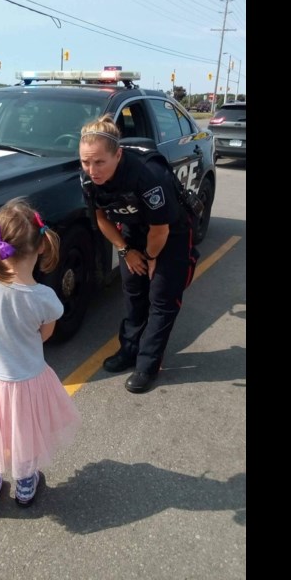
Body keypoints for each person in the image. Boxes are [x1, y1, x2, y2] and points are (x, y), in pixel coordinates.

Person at [0, 197, 82, 519]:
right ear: (42, 246)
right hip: (23, 380)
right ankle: (25, 489)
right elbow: (45, 335)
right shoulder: (44, 299)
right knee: (25, 434)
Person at [79, 114, 197, 394]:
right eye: (85, 162)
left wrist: (151, 256)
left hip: (171, 232)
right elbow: (101, 220)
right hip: (132, 229)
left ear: (118, 155)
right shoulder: (87, 178)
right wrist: (126, 251)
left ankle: (148, 364)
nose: (91, 170)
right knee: (133, 290)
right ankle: (129, 350)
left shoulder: (146, 175)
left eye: (99, 162)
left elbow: (161, 230)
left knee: (161, 298)